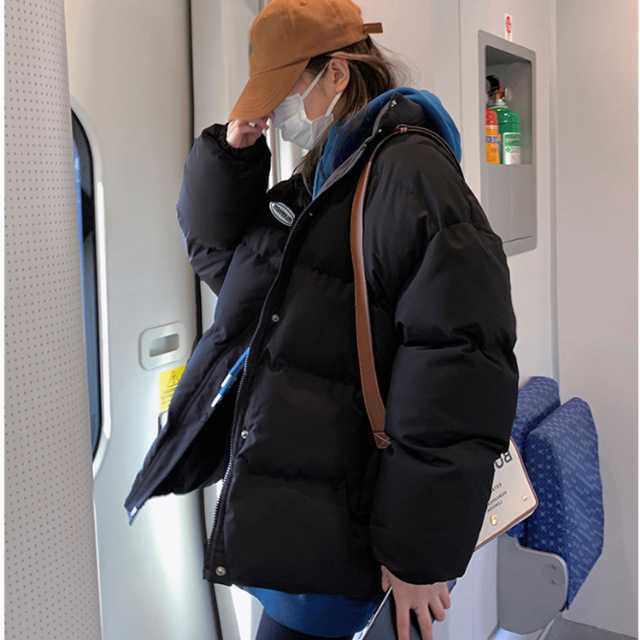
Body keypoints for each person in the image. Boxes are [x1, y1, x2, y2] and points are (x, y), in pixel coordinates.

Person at [173, 1, 519, 639]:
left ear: (336, 75)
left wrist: (418, 555)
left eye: (283, 93)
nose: (276, 114)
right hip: (311, 513)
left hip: (358, 524)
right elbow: (228, 268)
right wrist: (234, 152)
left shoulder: (408, 174)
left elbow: (458, 368)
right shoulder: (325, 177)